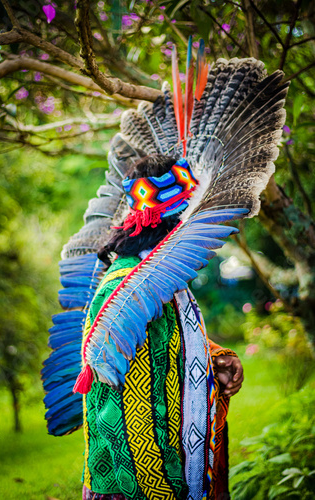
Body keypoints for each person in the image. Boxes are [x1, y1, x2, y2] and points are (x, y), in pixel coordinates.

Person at [80, 155, 244, 500]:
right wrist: (162, 489)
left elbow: (170, 346)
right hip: (140, 482)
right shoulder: (125, 290)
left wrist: (218, 358)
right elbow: (125, 413)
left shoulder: (160, 281)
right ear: (176, 221)